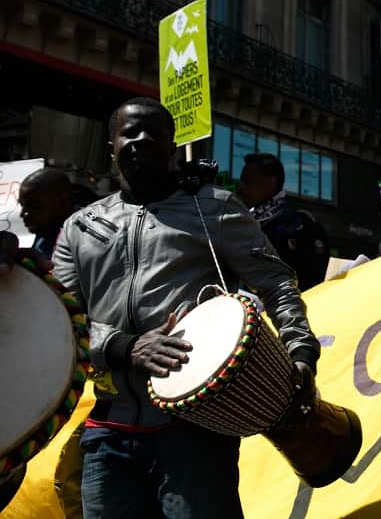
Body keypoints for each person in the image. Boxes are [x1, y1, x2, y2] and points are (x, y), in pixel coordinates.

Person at [50, 97, 320, 519]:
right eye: (129, 132)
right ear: (111, 146)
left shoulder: (215, 207)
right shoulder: (79, 226)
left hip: (197, 432)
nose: (140, 141)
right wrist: (124, 346)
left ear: (173, 145)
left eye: (153, 133)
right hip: (107, 434)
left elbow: (277, 285)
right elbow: (60, 325)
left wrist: (302, 353)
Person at [237, 152, 330, 291]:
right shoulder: (243, 222)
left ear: (270, 182)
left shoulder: (303, 226)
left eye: (247, 181)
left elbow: (313, 281)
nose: (241, 187)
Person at [18, 167, 76, 258]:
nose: (23, 214)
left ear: (62, 201)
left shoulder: (82, 244)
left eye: (34, 206)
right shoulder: (44, 231)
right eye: (22, 205)